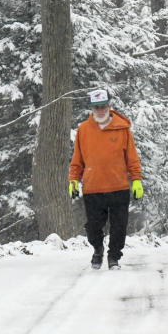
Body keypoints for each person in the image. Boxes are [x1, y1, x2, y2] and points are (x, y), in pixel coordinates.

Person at [69, 89, 144, 270]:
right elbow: (77, 159)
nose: (100, 111)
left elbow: (132, 158)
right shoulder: (84, 130)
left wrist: (136, 180)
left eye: (103, 106)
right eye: (96, 107)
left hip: (119, 187)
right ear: (92, 109)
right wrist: (73, 180)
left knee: (119, 227)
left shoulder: (122, 128)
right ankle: (98, 249)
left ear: (109, 106)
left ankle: (114, 257)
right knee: (93, 227)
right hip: (93, 188)